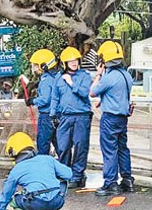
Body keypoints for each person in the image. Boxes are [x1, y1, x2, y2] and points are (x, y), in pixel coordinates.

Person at [0, 132, 72, 210]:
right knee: (58, 185)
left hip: (36, 204)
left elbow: (6, 195)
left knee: (14, 199)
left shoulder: (16, 170)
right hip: (57, 201)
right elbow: (68, 174)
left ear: (13, 152)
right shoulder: (47, 159)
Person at [90, 41, 135, 196]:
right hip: (122, 118)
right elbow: (118, 94)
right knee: (122, 149)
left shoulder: (109, 77)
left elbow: (92, 92)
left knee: (109, 150)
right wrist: (104, 100)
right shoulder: (126, 75)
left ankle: (110, 183)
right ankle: (127, 180)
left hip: (110, 118)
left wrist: (98, 74)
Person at [50, 47, 93, 189]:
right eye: (70, 61)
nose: (74, 63)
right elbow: (55, 97)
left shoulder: (84, 76)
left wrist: (71, 83)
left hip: (81, 116)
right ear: (64, 63)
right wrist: (52, 114)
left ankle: (77, 175)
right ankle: (65, 174)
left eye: (76, 60)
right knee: (63, 147)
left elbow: (84, 92)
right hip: (65, 117)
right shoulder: (58, 77)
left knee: (80, 146)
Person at [25, 49, 60, 155]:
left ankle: (43, 167)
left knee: (43, 144)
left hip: (46, 116)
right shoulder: (56, 77)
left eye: (35, 65)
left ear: (43, 65)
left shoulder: (45, 81)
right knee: (59, 144)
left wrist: (32, 101)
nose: (34, 68)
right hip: (57, 115)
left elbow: (45, 99)